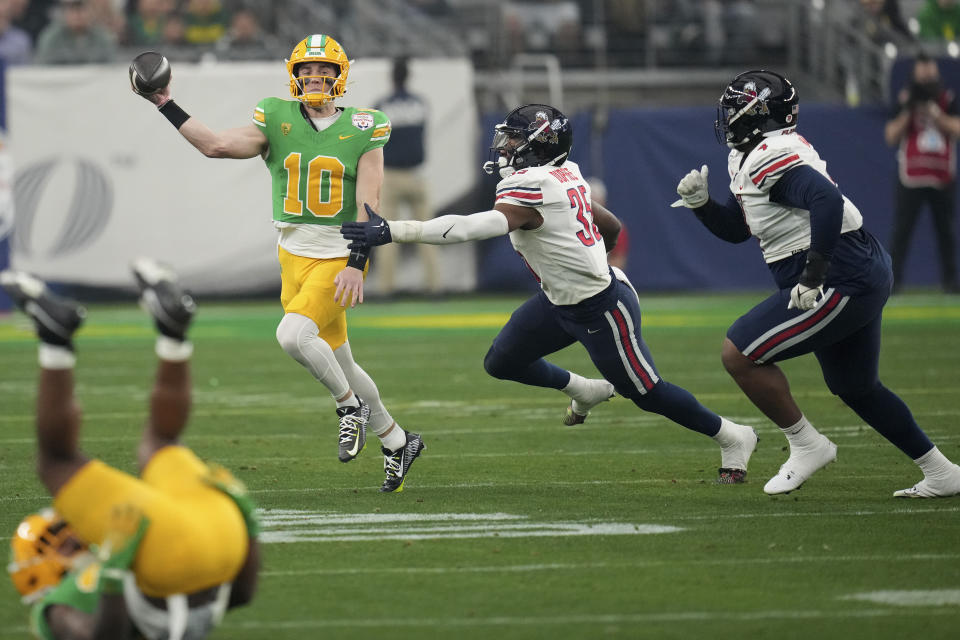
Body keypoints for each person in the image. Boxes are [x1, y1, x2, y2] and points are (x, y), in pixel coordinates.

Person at [342, 104, 759, 484]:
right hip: (560, 300)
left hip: (601, 308)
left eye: (513, 139)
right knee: (502, 360)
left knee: (647, 392)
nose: (504, 146)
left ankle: (732, 436)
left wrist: (394, 230)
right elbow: (609, 227)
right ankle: (584, 388)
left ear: (537, 146)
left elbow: (470, 228)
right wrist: (584, 260)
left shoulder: (533, 185)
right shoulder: (565, 173)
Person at [131, 34, 425, 493]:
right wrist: (165, 103)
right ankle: (398, 440)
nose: (315, 77)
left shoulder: (368, 125)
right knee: (341, 359)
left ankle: (349, 409)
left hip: (338, 255)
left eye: (324, 69)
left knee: (292, 335)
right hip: (293, 255)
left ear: (339, 75)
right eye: (307, 69)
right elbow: (214, 145)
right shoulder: (276, 116)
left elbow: (371, 204)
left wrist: (357, 261)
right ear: (294, 74)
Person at [671, 69, 960, 497]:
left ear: (760, 116)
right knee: (855, 385)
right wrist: (702, 206)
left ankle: (806, 444)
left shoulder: (772, 152)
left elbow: (825, 198)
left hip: (839, 270)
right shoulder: (751, 154)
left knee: (739, 353)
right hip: (851, 263)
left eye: (735, 110)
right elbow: (737, 229)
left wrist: (814, 272)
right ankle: (942, 472)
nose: (728, 118)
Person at [2, 259, 260, 639]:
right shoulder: (58, 605)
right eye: (67, 541)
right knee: (83, 456)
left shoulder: (99, 574)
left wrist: (249, 527)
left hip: (223, 546)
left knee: (137, 447)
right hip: (214, 527)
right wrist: (245, 518)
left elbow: (240, 595)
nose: (80, 540)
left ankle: (153, 335)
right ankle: (166, 336)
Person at [884, 53, 960, 293]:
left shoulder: (948, 98)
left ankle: (950, 281)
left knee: (946, 231)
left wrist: (935, 112)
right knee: (902, 230)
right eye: (922, 71)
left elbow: (957, 129)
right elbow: (890, 136)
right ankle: (893, 282)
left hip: (941, 173)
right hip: (912, 175)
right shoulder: (906, 98)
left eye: (930, 71)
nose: (926, 77)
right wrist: (909, 110)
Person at [373, 56, 440, 296]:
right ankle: (433, 286)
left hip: (390, 175)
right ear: (408, 76)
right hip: (417, 174)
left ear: (391, 77)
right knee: (428, 234)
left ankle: (385, 288)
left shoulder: (382, 105)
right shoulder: (420, 103)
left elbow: (375, 141)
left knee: (387, 234)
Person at [33, 0, 116, 65]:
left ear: (91, 11)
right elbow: (43, 67)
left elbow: (113, 65)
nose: (78, 14)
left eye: (82, 9)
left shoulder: (102, 37)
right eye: (72, 9)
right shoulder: (51, 38)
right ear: (64, 12)